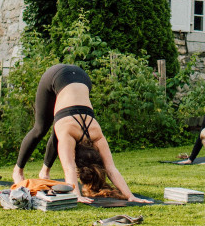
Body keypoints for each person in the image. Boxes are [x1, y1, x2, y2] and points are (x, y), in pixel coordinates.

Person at [13, 64, 146, 203]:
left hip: (83, 77)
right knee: (40, 128)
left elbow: (110, 169)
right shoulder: (76, 134)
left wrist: (130, 195)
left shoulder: (96, 134)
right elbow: (69, 169)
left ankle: (44, 172)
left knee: (59, 129)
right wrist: (77, 194)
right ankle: (18, 171)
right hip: (55, 76)